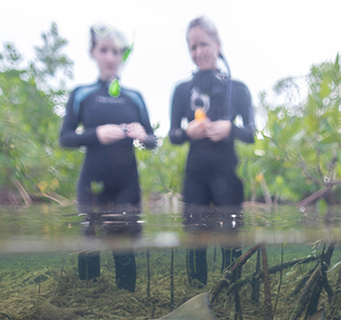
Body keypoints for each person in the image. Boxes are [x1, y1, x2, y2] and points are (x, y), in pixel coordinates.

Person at [59, 23, 157, 292]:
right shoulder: (82, 94)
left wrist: (143, 135)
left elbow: (152, 141)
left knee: (124, 246)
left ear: (123, 55)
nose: (111, 57)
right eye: (104, 50)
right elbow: (65, 138)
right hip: (92, 183)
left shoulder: (135, 98)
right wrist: (96, 134)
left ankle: (127, 302)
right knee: (89, 244)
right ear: (93, 52)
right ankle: (87, 303)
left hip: (127, 185)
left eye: (116, 51)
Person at [169, 16, 255, 285]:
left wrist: (230, 128)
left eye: (204, 44)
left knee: (231, 240)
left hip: (228, 178)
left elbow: (252, 133)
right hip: (195, 179)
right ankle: (196, 299)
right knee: (196, 241)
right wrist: (187, 132)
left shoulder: (238, 89)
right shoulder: (182, 90)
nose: (199, 52)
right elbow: (173, 135)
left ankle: (232, 293)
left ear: (218, 44)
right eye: (193, 47)